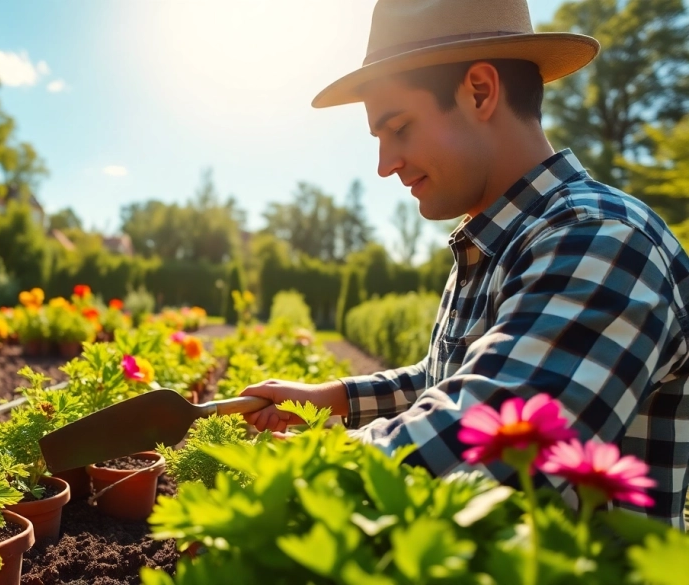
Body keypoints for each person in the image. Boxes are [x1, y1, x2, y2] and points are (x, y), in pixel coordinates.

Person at [240, 0, 689, 529]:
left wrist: (283, 471)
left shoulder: (602, 239)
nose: (385, 165)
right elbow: (463, 380)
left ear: (480, 91)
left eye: (399, 127)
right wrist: (331, 399)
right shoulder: (498, 239)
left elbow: (488, 440)